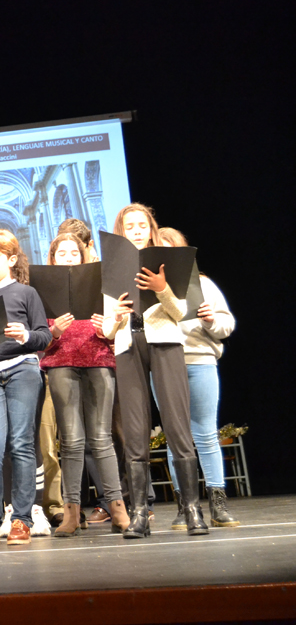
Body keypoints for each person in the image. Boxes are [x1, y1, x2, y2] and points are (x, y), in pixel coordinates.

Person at [103, 203, 207, 537]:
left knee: (177, 424)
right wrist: (116, 315)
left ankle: (192, 509)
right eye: (129, 225)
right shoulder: (114, 266)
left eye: (141, 225)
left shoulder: (166, 260)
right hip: (128, 346)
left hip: (165, 343)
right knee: (135, 431)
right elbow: (106, 330)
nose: (136, 230)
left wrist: (162, 288)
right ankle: (138, 514)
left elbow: (180, 312)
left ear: (151, 228)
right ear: (121, 231)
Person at [39, 236, 129, 536]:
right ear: (53, 258)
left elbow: (112, 330)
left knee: (101, 439)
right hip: (61, 363)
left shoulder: (100, 285)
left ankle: (118, 508)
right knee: (72, 441)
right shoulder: (44, 289)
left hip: (98, 360)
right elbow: (40, 337)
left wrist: (109, 325)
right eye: (62, 253)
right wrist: (54, 330)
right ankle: (72, 513)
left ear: (82, 256)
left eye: (74, 253)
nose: (68, 257)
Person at [0, 231, 51, 547]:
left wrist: (24, 335)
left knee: (21, 444)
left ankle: (22, 520)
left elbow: (44, 336)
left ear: (11, 259)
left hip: (22, 370)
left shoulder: (26, 293)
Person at [158, 227, 239, 528]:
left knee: (205, 433)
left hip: (200, 360)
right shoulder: (148, 288)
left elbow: (226, 325)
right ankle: (185, 506)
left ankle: (218, 504)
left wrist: (210, 320)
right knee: (175, 437)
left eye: (172, 249)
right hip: (165, 365)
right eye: (160, 249)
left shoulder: (202, 283)